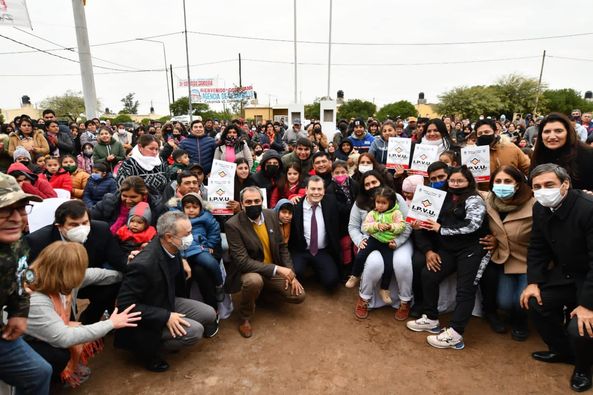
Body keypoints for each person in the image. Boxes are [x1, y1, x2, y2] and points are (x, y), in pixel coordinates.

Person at [24, 241, 140, 387]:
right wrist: (110, 323)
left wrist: (129, 271)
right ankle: (53, 381)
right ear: (68, 272)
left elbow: (98, 275)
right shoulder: (36, 299)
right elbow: (63, 337)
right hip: (27, 342)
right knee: (59, 355)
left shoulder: (54, 276)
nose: (82, 271)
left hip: (48, 332)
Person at [520, 163, 593, 392]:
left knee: (579, 326)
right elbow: (537, 246)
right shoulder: (540, 208)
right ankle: (563, 351)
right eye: (537, 186)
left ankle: (583, 367)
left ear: (566, 184)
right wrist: (533, 282)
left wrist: (588, 306)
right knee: (535, 302)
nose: (543, 190)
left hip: (589, 277)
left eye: (549, 184)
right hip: (567, 272)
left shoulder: (587, 208)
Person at [115, 211, 217, 371]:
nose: (192, 236)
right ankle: (147, 351)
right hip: (146, 318)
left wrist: (182, 261)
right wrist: (165, 316)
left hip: (165, 300)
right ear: (169, 236)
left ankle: (168, 333)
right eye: (188, 233)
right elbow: (125, 305)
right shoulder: (144, 264)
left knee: (209, 314)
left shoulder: (171, 247)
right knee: (195, 331)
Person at [407, 166, 488, 350]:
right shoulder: (440, 197)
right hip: (449, 249)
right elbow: (428, 222)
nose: (455, 184)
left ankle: (455, 333)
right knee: (429, 274)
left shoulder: (474, 199)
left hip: (472, 250)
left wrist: (440, 229)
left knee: (465, 289)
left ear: (469, 182)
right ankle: (431, 318)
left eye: (460, 181)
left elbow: (473, 225)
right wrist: (419, 224)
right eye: (453, 180)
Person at [26, 200, 128, 325]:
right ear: (59, 226)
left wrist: (135, 263)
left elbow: (118, 259)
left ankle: (89, 321)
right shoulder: (39, 241)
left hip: (89, 281)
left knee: (113, 286)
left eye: (85, 223)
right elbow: (30, 275)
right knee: (65, 321)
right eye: (73, 225)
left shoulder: (100, 229)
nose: (81, 229)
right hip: (55, 287)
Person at [225, 187, 305, 338]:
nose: (253, 204)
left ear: (262, 201)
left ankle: (261, 294)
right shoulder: (233, 225)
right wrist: (278, 269)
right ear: (241, 204)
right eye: (248, 201)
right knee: (254, 281)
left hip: (270, 269)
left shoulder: (271, 215)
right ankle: (245, 318)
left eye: (257, 201)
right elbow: (243, 262)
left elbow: (282, 247)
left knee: (299, 296)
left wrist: (290, 272)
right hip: (249, 270)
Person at [0, 173, 52, 394]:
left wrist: (19, 311)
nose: (17, 218)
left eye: (22, 208)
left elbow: (22, 275)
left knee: (38, 372)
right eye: (4, 210)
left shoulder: (16, 242)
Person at [348, 170, 414, 320]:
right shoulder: (360, 203)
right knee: (373, 263)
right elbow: (353, 227)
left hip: (399, 239)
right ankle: (364, 298)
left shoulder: (396, 198)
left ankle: (405, 301)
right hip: (374, 239)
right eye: (367, 184)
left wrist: (397, 242)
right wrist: (360, 240)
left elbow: (407, 224)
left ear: (381, 181)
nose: (371, 186)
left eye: (374, 182)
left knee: (402, 263)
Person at [479, 165, 534, 341]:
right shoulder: (489, 200)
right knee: (504, 302)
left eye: (508, 181)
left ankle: (521, 321)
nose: (502, 185)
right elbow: (464, 186)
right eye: (498, 181)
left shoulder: (535, 204)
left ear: (517, 184)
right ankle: (511, 314)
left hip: (528, 260)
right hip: (504, 259)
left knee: (522, 301)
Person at [346, 187, 408, 304]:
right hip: (374, 239)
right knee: (360, 256)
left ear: (391, 202)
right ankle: (355, 275)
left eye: (384, 203)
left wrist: (391, 227)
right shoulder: (373, 213)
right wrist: (376, 226)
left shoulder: (396, 213)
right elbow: (365, 226)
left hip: (387, 243)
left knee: (389, 266)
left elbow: (402, 226)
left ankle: (384, 289)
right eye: (378, 202)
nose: (380, 205)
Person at [289, 176, 342, 291]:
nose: (316, 192)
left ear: (324, 191)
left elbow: (346, 210)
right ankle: (308, 269)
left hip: (322, 251)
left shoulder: (331, 202)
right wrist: (290, 199)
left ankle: (317, 270)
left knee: (332, 282)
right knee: (295, 274)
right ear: (306, 190)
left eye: (319, 189)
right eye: (313, 189)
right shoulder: (295, 206)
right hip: (301, 250)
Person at [530, 112, 593, 191]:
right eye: (547, 132)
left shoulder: (588, 154)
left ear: (568, 133)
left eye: (558, 131)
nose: (552, 136)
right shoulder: (538, 154)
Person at [180, 193, 224, 302]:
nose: (191, 210)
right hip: (184, 251)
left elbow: (214, 231)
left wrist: (210, 245)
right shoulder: (179, 219)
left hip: (200, 248)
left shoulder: (206, 217)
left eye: (194, 207)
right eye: (187, 207)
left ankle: (219, 285)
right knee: (182, 274)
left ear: (200, 207)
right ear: (182, 208)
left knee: (211, 263)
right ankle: (183, 299)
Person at [92, 175, 165, 232]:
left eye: (133, 197)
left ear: (144, 196)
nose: (128, 201)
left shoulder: (156, 208)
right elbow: (90, 218)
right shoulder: (109, 202)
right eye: (124, 196)